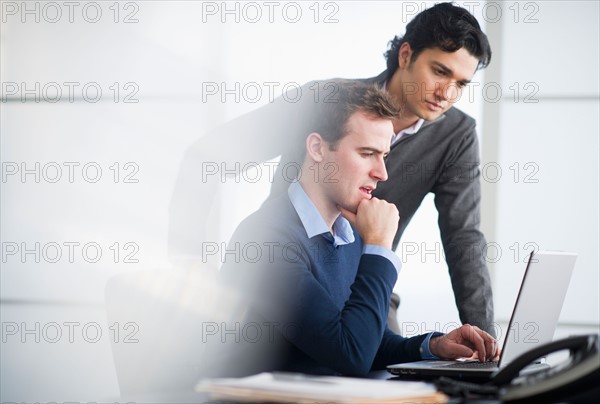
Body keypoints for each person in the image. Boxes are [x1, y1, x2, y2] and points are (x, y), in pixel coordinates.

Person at [169, 2, 495, 335]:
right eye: (440, 72)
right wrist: (189, 266)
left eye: (462, 83)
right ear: (406, 55)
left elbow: (464, 238)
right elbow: (207, 158)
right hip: (284, 280)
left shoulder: (456, 135)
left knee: (401, 371)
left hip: (366, 288)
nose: (447, 93)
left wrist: (485, 340)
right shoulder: (323, 101)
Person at [217, 83, 498, 376]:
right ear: (317, 148)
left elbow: (367, 340)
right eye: (367, 153)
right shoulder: (266, 240)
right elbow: (350, 355)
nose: (382, 173)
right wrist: (378, 246)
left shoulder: (347, 236)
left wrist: (433, 346)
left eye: (384, 156)